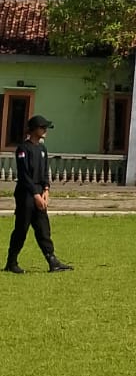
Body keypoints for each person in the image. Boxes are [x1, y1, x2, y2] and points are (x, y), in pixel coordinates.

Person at [5, 114, 72, 274]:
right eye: (42, 128)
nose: (45, 130)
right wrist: (35, 195)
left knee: (43, 228)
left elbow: (43, 172)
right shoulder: (23, 149)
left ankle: (52, 260)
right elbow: (24, 175)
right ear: (34, 130)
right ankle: (11, 262)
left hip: (39, 192)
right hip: (26, 193)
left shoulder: (42, 149)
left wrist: (46, 190)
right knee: (22, 228)